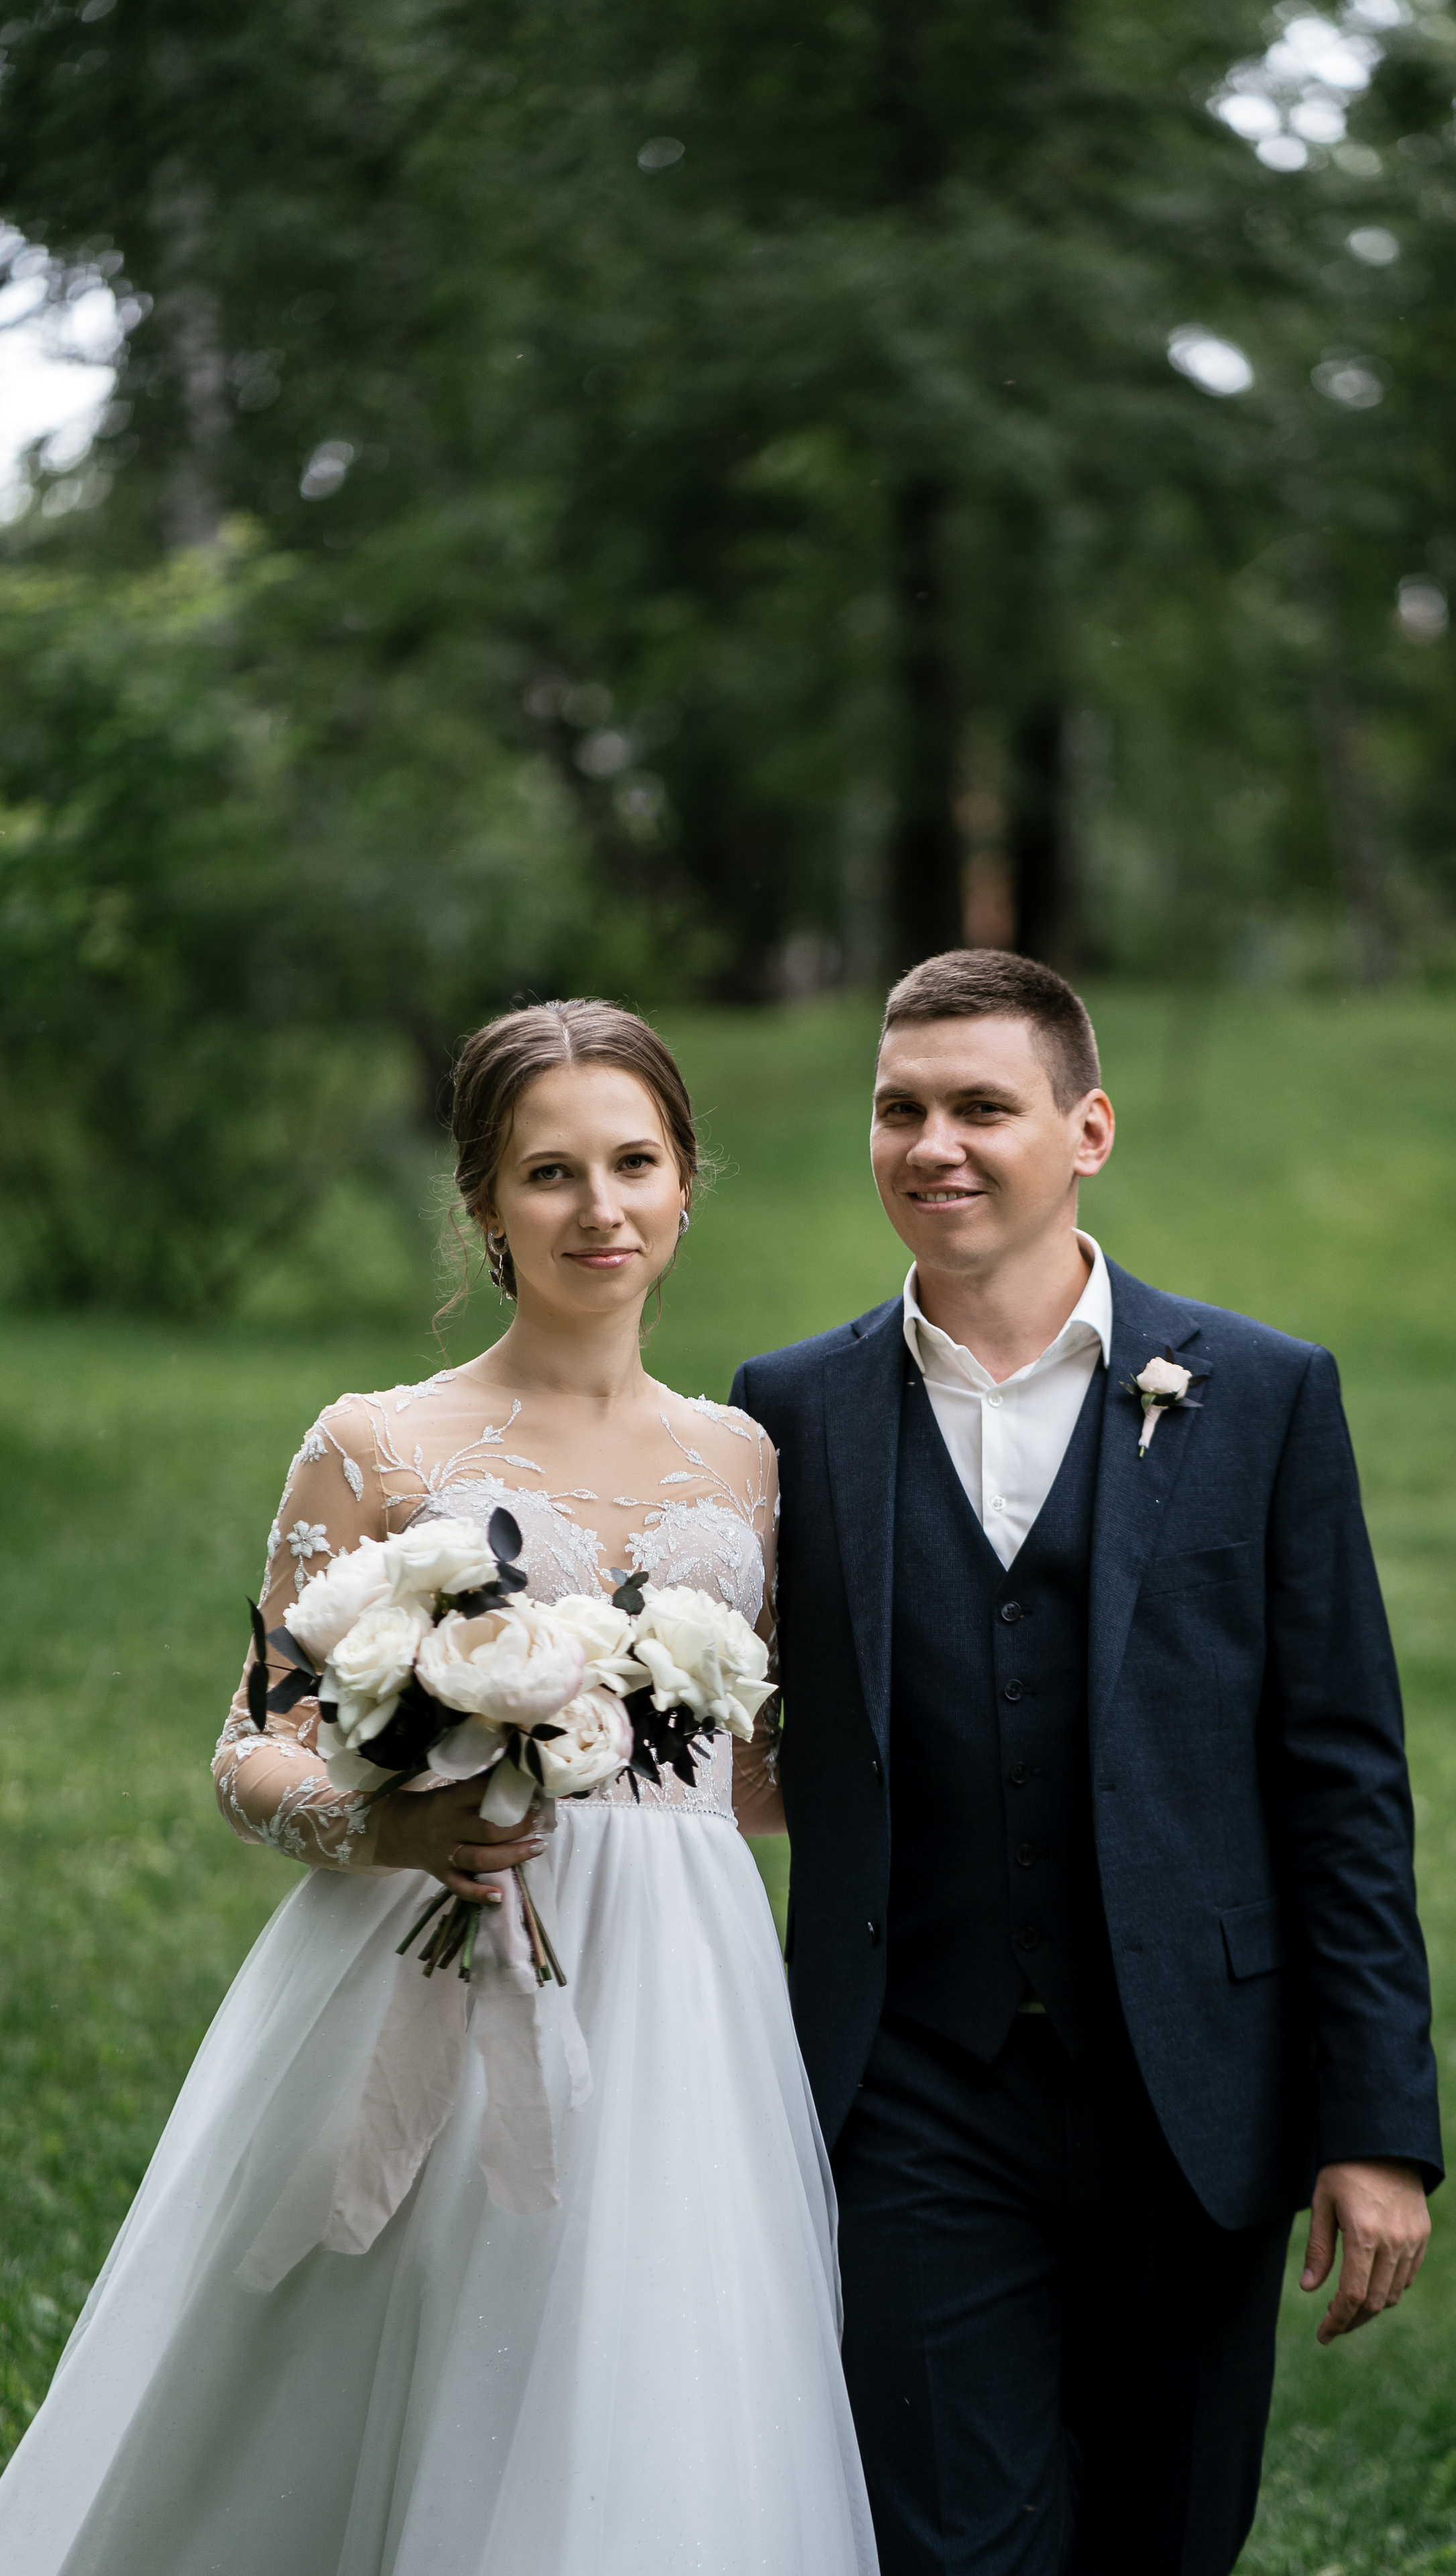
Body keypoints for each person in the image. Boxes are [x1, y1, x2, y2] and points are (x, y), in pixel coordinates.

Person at [0, 1000, 878, 2576]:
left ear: (687, 1183)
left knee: (655, 2364)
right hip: (434, 1940)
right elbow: (248, 1747)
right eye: (549, 1174)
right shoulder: (377, 1443)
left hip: (685, 1990)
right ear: (482, 1201)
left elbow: (751, 1775)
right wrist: (384, 1821)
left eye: (633, 1163)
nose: (597, 1210)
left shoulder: (746, 1456)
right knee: (391, 2351)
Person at [730, 950, 1442, 2576]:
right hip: (910, 2080)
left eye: (982, 1106)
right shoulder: (787, 1414)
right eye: (898, 1111)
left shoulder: (1260, 1395)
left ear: (1088, 1129)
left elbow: (1340, 1778)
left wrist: (1376, 2120)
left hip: (1196, 2084)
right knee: (951, 2547)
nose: (934, 1146)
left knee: (1166, 2534)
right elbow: (708, 1731)